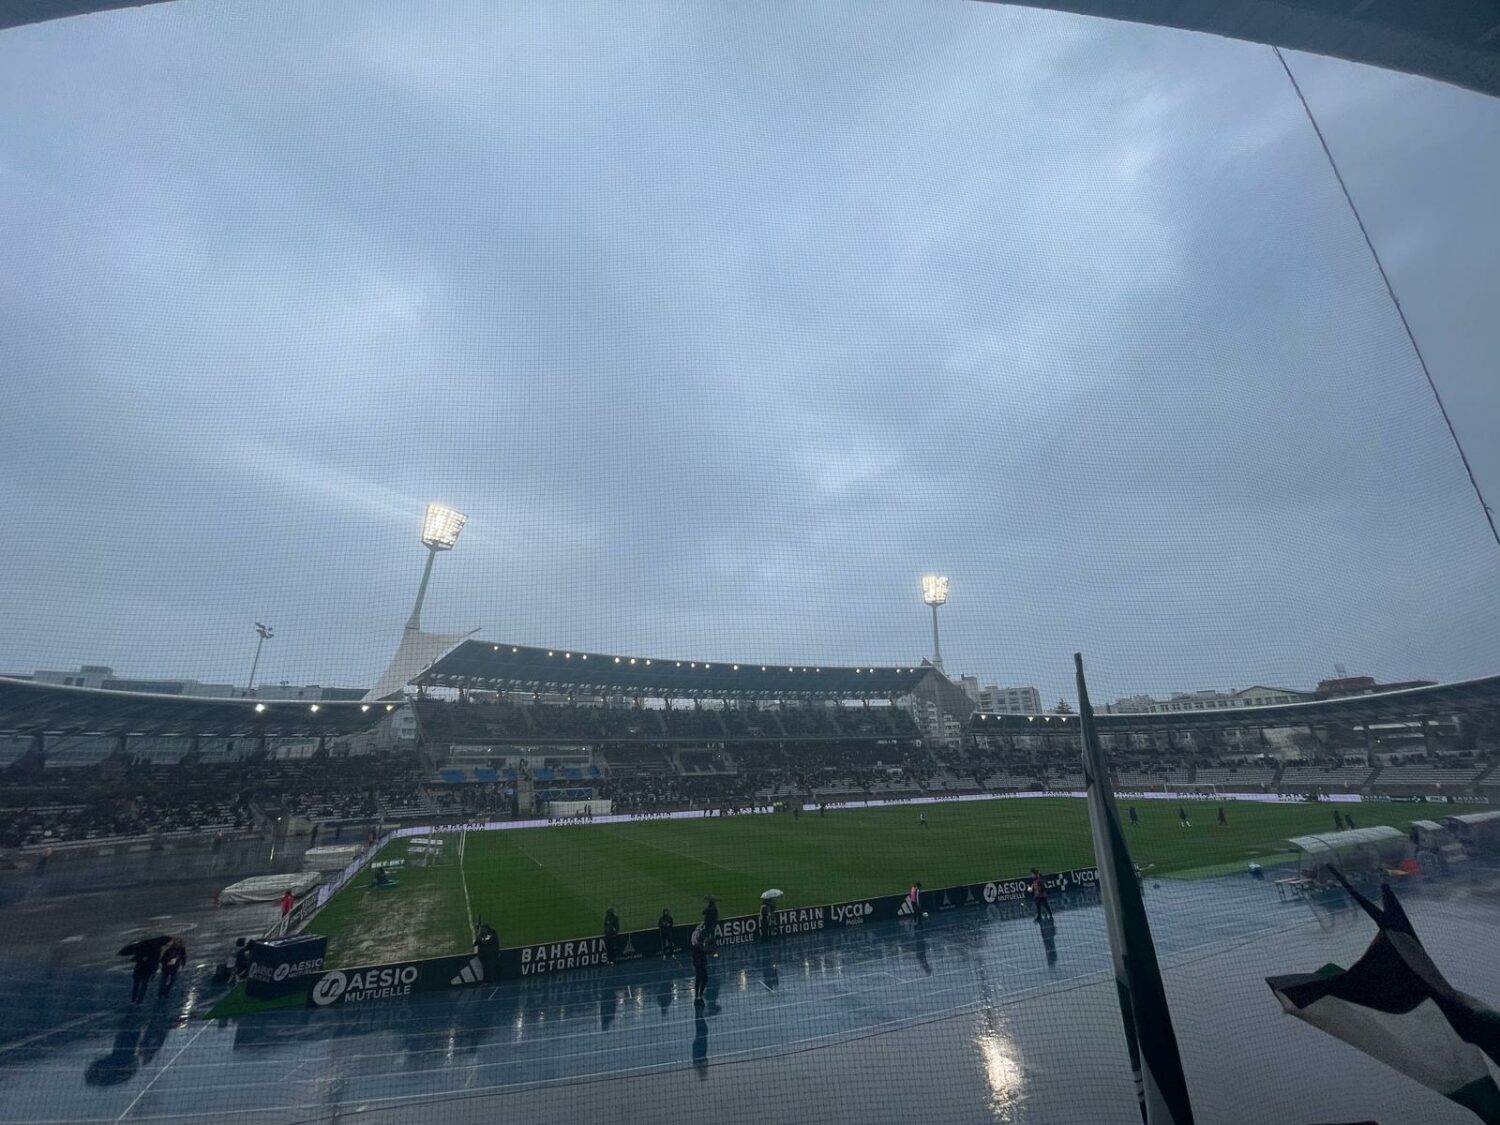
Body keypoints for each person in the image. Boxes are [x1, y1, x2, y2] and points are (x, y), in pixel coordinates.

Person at [125, 938, 163, 1004]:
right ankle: (139, 999)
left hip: (141, 969)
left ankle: (135, 999)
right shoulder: (156, 949)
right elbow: (156, 961)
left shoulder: (141, 947)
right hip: (147, 969)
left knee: (138, 985)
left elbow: (135, 958)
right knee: (143, 985)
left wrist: (140, 959)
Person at [690, 924, 709, 1005]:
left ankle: (698, 995)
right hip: (699, 965)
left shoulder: (698, 945)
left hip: (700, 964)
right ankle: (698, 995)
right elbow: (704, 952)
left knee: (702, 979)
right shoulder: (699, 946)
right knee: (701, 979)